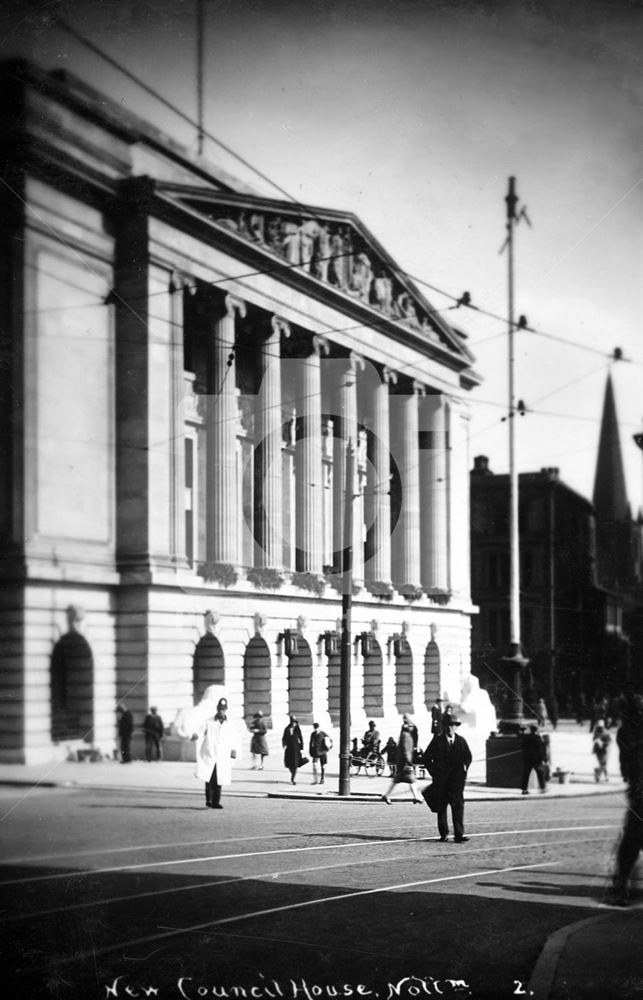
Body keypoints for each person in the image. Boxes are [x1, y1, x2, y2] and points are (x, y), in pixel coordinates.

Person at [604, 690, 643, 906]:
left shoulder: (625, 732)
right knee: (631, 840)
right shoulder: (627, 732)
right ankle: (620, 884)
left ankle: (621, 884)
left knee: (631, 841)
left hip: (638, 792)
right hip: (639, 791)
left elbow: (625, 765)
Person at [423, 713, 472, 842]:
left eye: (455, 725)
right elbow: (426, 758)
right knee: (442, 808)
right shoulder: (437, 740)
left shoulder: (461, 741)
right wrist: (434, 772)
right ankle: (444, 833)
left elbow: (468, 757)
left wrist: (464, 768)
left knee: (458, 807)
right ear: (445, 726)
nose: (452, 727)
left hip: (456, 782)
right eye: (450, 725)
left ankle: (459, 834)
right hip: (442, 781)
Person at [193, 696, 238, 810]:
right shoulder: (209, 721)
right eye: (219, 709)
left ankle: (216, 802)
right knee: (208, 777)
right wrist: (196, 735)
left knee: (219, 779)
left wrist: (233, 752)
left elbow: (234, 739)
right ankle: (208, 800)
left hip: (222, 755)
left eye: (223, 709)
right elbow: (201, 731)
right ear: (217, 709)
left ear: (226, 710)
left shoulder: (230, 724)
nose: (221, 711)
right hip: (210, 753)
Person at [381, 721, 423, 805]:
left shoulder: (403, 736)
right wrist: (408, 761)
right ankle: (416, 797)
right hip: (405, 763)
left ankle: (386, 795)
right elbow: (405, 750)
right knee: (411, 780)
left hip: (402, 763)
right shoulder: (407, 736)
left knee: (398, 781)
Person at [521, 723, 548, 794]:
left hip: (527, 758)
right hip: (536, 759)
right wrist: (544, 759)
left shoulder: (526, 738)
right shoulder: (538, 738)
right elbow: (541, 750)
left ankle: (524, 789)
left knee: (526, 774)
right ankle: (542, 788)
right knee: (540, 773)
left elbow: (523, 746)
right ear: (536, 730)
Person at [282, 715, 304, 784]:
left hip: (296, 749)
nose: (293, 724)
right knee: (289, 764)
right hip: (289, 749)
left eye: (295, 722)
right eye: (292, 722)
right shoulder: (287, 729)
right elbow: (284, 738)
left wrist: (301, 747)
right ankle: (292, 774)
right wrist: (284, 744)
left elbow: (301, 738)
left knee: (295, 764)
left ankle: (293, 778)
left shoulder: (297, 729)